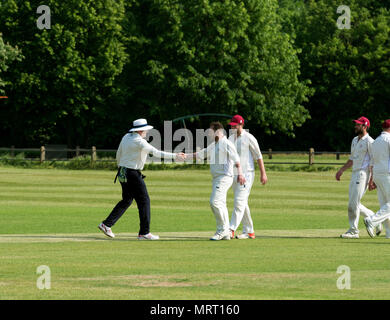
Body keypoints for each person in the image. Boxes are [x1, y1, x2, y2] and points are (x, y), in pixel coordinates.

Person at [98, 118, 185, 240]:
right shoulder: (140, 142)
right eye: (145, 130)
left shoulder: (126, 137)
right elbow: (156, 153)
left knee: (127, 200)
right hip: (132, 173)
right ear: (140, 130)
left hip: (122, 171)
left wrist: (120, 167)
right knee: (144, 201)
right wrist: (175, 156)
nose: (147, 132)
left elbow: (119, 153)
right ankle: (144, 233)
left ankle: (106, 224)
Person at [189, 122, 245, 240]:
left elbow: (237, 160)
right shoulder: (214, 144)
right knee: (221, 204)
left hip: (224, 177)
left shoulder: (226, 143)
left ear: (217, 130)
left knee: (214, 202)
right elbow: (200, 154)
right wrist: (185, 156)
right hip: (216, 178)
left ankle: (222, 230)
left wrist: (240, 174)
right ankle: (225, 232)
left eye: (210, 130)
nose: (208, 133)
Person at [335, 116, 381, 238]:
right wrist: (342, 170)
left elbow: (373, 161)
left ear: (365, 126)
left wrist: (372, 179)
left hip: (363, 174)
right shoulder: (355, 140)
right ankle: (374, 217)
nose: (355, 126)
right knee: (353, 203)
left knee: (353, 204)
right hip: (354, 173)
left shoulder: (370, 141)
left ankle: (353, 231)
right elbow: (352, 159)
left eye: (358, 124)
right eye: (356, 124)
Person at [227, 115, 267, 239]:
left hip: (247, 174)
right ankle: (249, 231)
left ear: (241, 124)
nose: (233, 127)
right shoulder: (230, 138)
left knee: (239, 201)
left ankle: (230, 229)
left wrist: (263, 173)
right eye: (232, 125)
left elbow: (258, 156)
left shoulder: (249, 138)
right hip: (234, 173)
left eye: (235, 125)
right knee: (242, 202)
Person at [364, 119, 390, 238]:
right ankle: (372, 220)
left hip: (378, 173)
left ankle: (389, 233)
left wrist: (372, 179)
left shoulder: (376, 141)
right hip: (387, 174)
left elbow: (372, 161)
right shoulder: (388, 140)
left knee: (384, 203)